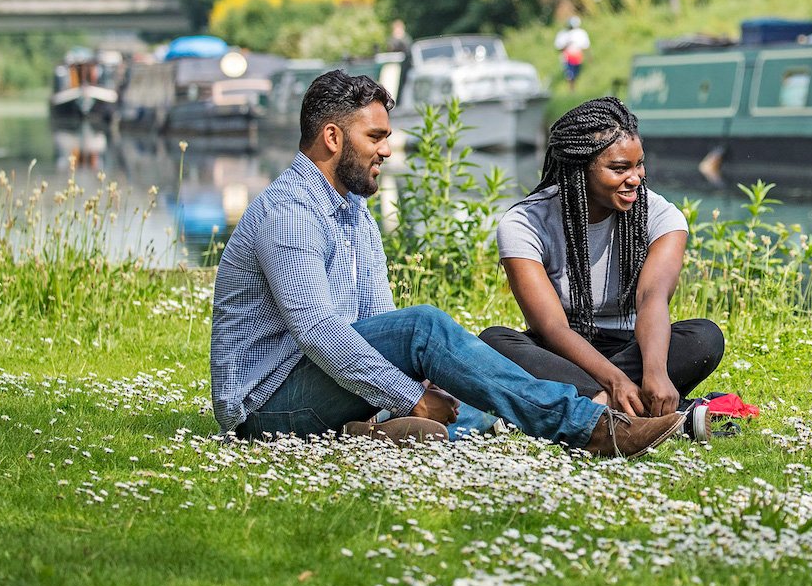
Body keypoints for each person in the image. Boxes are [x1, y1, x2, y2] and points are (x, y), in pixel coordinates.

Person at [209, 70, 684, 458]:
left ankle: (365, 430)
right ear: (333, 137)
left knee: (474, 404)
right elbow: (317, 333)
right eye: (375, 136)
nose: (387, 150)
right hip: (269, 406)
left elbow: (378, 322)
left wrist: (427, 384)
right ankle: (593, 429)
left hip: (324, 386)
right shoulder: (290, 211)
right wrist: (409, 395)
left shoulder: (353, 211)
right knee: (425, 331)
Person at [480, 97, 724, 438]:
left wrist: (653, 372)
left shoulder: (661, 216)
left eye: (639, 165)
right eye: (619, 168)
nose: (635, 178)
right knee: (493, 342)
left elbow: (652, 298)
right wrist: (615, 381)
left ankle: (581, 406)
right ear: (580, 170)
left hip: (630, 346)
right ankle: (654, 414)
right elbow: (551, 328)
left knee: (704, 337)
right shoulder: (524, 223)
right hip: (560, 352)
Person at [553, 16, 591, 89]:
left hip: (577, 57)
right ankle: (571, 90)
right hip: (567, 58)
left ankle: (575, 89)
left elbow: (586, 46)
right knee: (570, 75)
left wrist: (589, 57)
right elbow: (558, 47)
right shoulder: (563, 34)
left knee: (576, 74)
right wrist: (567, 44)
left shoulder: (581, 33)